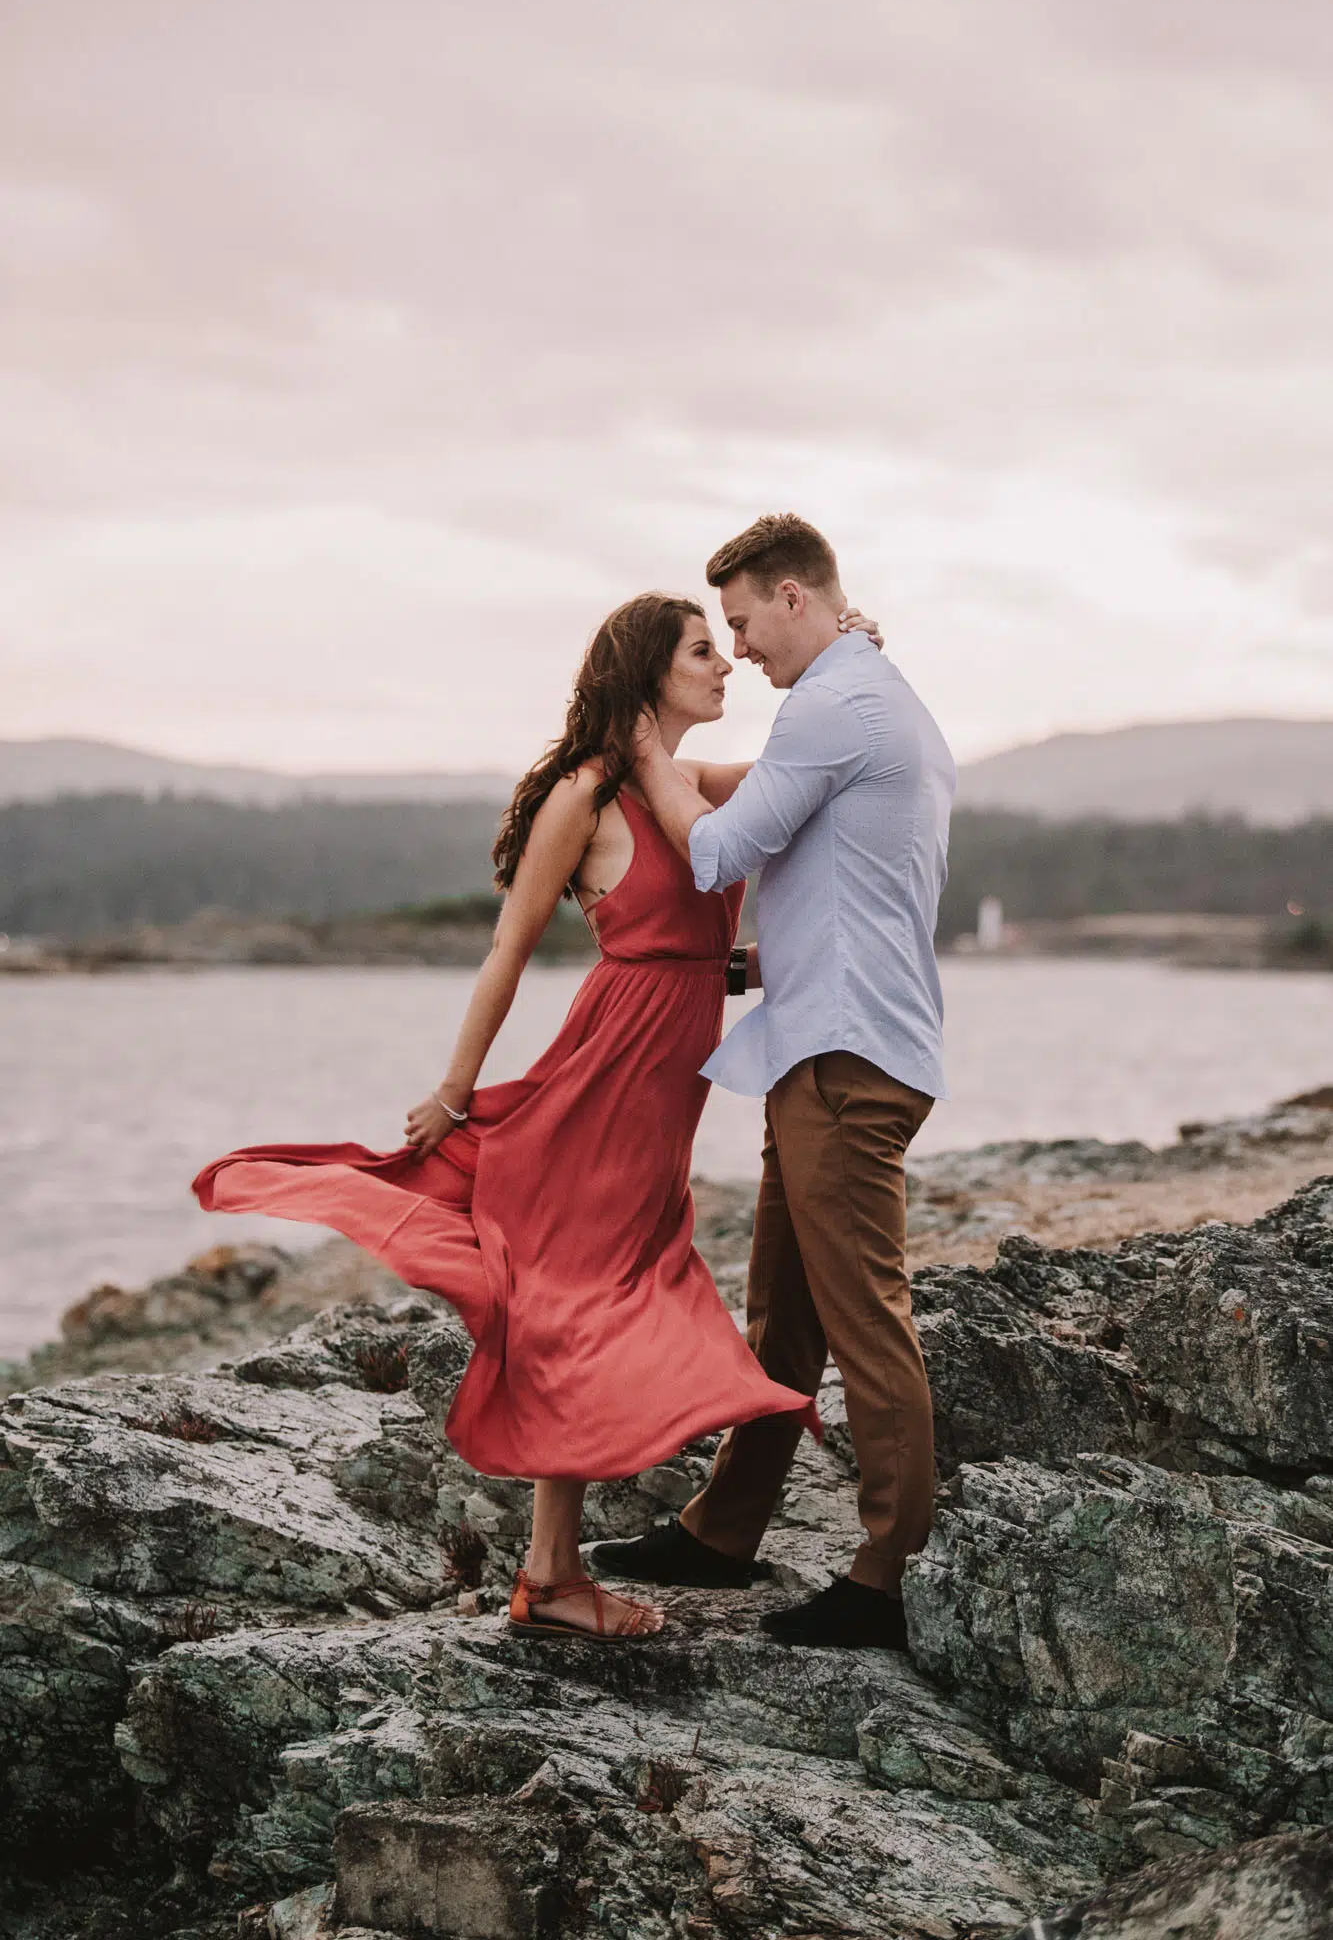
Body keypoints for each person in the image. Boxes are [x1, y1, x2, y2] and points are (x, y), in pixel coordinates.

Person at [193, 586, 880, 1642]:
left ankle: (553, 1570)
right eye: (704, 648)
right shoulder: (588, 794)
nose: (724, 663)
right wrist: (454, 1091)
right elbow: (508, 950)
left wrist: (846, 663)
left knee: (589, 1299)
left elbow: (819, 785)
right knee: (578, 1295)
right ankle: (552, 1576)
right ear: (650, 669)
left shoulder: (686, 783)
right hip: (606, 1083)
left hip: (664, 1092)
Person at [593, 514, 955, 1650]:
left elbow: (712, 851)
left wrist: (640, 748)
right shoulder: (866, 692)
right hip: (827, 1042)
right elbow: (811, 861)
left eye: (744, 621)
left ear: (795, 598)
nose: (739, 649)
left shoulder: (836, 706)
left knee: (865, 1322)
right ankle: (723, 1528)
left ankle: (889, 1574)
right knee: (785, 1318)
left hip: (847, 1060)